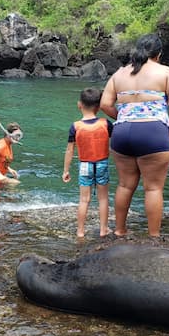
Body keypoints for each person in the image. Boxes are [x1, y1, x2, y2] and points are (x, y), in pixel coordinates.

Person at [100, 33, 169, 238]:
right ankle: (153, 236)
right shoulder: (165, 72)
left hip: (122, 132)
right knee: (153, 188)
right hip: (153, 132)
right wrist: (167, 125)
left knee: (125, 184)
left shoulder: (119, 73)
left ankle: (119, 230)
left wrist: (123, 116)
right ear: (158, 53)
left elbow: (104, 104)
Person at [62, 88, 114, 238]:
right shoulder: (106, 124)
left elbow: (70, 151)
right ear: (99, 107)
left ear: (79, 105)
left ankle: (80, 231)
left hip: (84, 164)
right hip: (102, 163)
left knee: (84, 200)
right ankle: (103, 229)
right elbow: (114, 143)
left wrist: (66, 170)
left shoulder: (75, 127)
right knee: (103, 198)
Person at [0, 122, 22, 186]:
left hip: (0, 179)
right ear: (9, 134)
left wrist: (9, 169)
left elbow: (1, 160)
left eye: (19, 136)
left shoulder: (9, 145)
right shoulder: (1, 145)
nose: (17, 138)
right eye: (16, 135)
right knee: (16, 183)